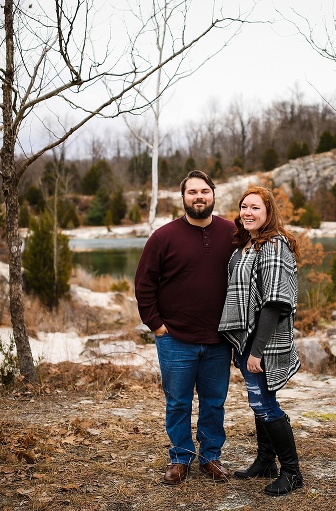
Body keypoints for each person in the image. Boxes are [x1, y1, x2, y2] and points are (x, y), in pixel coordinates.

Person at [134, 170, 236, 485]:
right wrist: (157, 325)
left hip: (219, 339)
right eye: (192, 192)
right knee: (178, 401)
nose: (199, 197)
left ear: (213, 194)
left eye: (204, 191)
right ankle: (180, 457)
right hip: (175, 338)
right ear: (183, 198)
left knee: (214, 401)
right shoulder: (163, 237)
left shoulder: (231, 233)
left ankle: (210, 457)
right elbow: (143, 284)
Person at [218, 185, 303, 496]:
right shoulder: (247, 246)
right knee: (259, 404)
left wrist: (257, 351)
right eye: (244, 207)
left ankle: (292, 473)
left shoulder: (273, 245)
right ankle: (266, 461)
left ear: (268, 213)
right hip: (246, 342)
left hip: (261, 344)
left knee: (266, 405)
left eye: (255, 207)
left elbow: (275, 302)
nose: (247, 212)